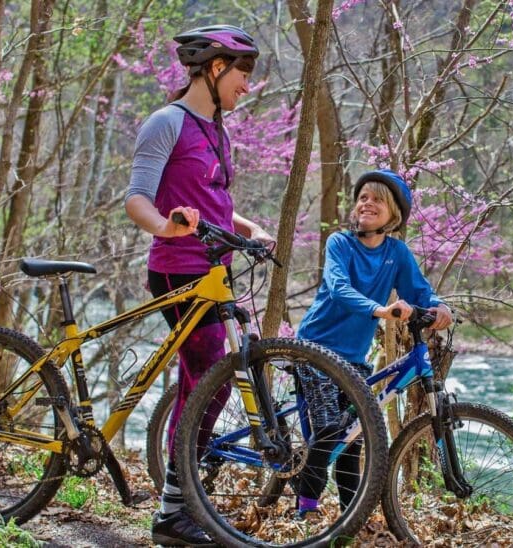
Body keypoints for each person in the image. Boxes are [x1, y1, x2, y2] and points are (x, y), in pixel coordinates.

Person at [124, 25, 273, 546]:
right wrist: (165, 226)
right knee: (210, 376)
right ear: (214, 68)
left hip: (215, 270)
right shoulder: (166, 122)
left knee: (207, 380)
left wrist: (249, 229)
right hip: (177, 267)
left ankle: (182, 498)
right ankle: (174, 509)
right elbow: (137, 199)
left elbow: (212, 205)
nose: (247, 86)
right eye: (242, 74)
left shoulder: (217, 129)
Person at [292, 169, 453, 519]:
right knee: (329, 428)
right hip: (315, 349)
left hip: (353, 357)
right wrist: (379, 310)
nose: (367, 203)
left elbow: (419, 290)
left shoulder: (396, 253)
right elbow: (339, 288)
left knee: (354, 436)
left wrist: (439, 307)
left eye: (377, 199)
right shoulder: (340, 243)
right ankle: (305, 507)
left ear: (393, 214)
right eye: (363, 197)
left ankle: (350, 516)